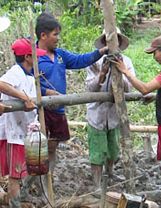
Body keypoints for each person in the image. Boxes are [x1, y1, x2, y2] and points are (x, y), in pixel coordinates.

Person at [115, 35, 161, 208]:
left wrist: (126, 72)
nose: (154, 56)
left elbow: (145, 88)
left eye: (155, 53)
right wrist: (156, 97)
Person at [35, 12, 108, 175]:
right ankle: (38, 180)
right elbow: (25, 82)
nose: (58, 38)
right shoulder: (32, 57)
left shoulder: (60, 55)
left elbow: (80, 60)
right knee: (39, 147)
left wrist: (101, 51)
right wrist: (46, 91)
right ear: (43, 35)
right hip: (41, 110)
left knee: (53, 146)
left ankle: (49, 178)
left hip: (58, 109)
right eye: (55, 34)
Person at [0, 38, 47, 208]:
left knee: (30, 167)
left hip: (26, 129)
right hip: (15, 132)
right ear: (28, 57)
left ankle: (20, 198)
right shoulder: (16, 72)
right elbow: (1, 84)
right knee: (16, 173)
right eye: (35, 55)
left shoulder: (28, 74)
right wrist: (23, 98)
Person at [85, 29, 135, 192]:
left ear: (119, 43)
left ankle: (111, 172)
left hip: (114, 113)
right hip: (97, 114)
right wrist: (102, 74)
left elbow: (129, 88)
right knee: (97, 152)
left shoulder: (126, 62)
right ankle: (97, 184)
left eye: (115, 42)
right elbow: (90, 88)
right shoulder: (95, 61)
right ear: (105, 44)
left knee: (113, 150)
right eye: (109, 42)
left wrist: (120, 71)